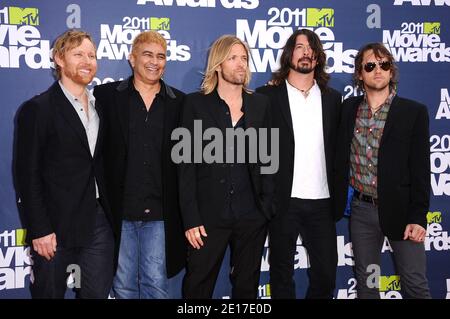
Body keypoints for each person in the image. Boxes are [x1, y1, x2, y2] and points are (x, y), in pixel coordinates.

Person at [16, 29, 115, 298]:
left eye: (92, 55)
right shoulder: (38, 109)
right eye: (78, 54)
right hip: (54, 226)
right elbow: (27, 175)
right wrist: (40, 229)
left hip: (99, 223)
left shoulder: (101, 107)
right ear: (59, 59)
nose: (88, 61)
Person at [178, 35, 274, 299]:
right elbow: (185, 165)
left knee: (247, 288)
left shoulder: (260, 105)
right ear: (218, 64)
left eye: (244, 58)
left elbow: (269, 158)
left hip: (251, 215)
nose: (240, 64)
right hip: (208, 217)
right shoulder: (195, 104)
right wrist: (191, 218)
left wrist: (265, 208)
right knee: (197, 287)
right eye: (233, 58)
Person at [334, 42, 431, 299]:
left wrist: (418, 217)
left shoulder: (413, 112)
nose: (378, 70)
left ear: (391, 71)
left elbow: (421, 170)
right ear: (360, 74)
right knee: (368, 285)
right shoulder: (348, 110)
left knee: (414, 284)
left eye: (384, 64)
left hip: (402, 212)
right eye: (370, 65)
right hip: (362, 211)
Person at [93, 31, 186, 299]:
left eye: (161, 56)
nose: (154, 61)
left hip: (160, 212)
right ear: (132, 58)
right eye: (147, 54)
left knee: (156, 284)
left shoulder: (179, 102)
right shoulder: (107, 96)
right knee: (122, 285)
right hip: (119, 211)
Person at [256, 29, 342, 299]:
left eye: (311, 48)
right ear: (288, 54)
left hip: (323, 202)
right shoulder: (267, 97)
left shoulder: (333, 99)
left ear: (317, 58)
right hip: (284, 201)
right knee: (281, 276)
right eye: (299, 47)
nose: (306, 52)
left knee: (326, 276)